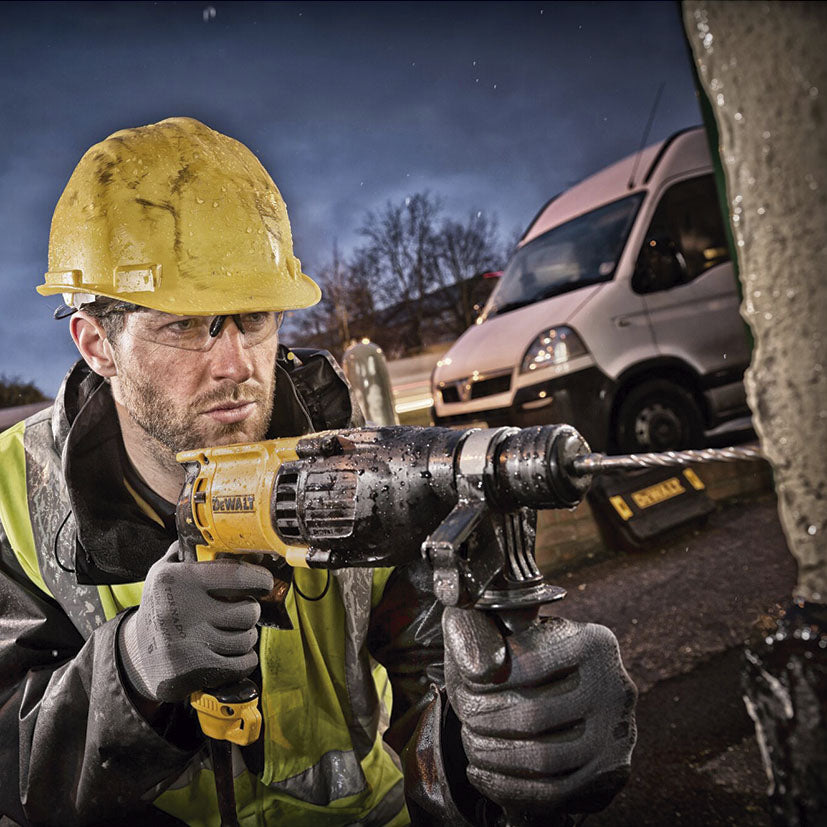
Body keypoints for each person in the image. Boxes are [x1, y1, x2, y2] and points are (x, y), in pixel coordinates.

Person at [0, 118, 637, 826]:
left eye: (254, 317)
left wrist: (485, 749)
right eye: (183, 325)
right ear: (97, 344)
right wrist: (130, 673)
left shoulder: (355, 462)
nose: (236, 365)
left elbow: (434, 670)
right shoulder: (13, 496)